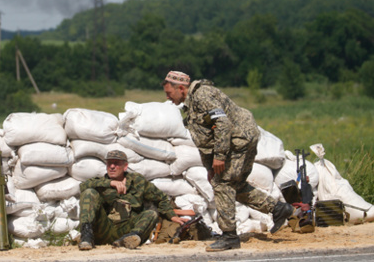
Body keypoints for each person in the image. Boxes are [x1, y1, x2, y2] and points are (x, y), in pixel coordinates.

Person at [161, 71, 294, 252]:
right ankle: (278, 208)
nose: (168, 98)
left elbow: (222, 123)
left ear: (181, 88)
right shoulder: (191, 104)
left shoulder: (202, 96)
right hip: (237, 141)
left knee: (222, 183)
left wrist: (220, 156)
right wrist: (209, 166)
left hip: (239, 140)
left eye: (169, 93)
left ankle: (230, 236)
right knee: (235, 185)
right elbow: (205, 139)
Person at [78, 150, 191, 250]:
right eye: (109, 163)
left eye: (116, 163)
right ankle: (86, 236)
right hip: (105, 228)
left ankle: (130, 239)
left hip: (127, 228)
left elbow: (160, 198)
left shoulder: (137, 181)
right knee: (88, 192)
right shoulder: (100, 182)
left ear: (125, 166)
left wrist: (172, 216)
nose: (112, 166)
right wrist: (110, 183)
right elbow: (83, 186)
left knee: (151, 214)